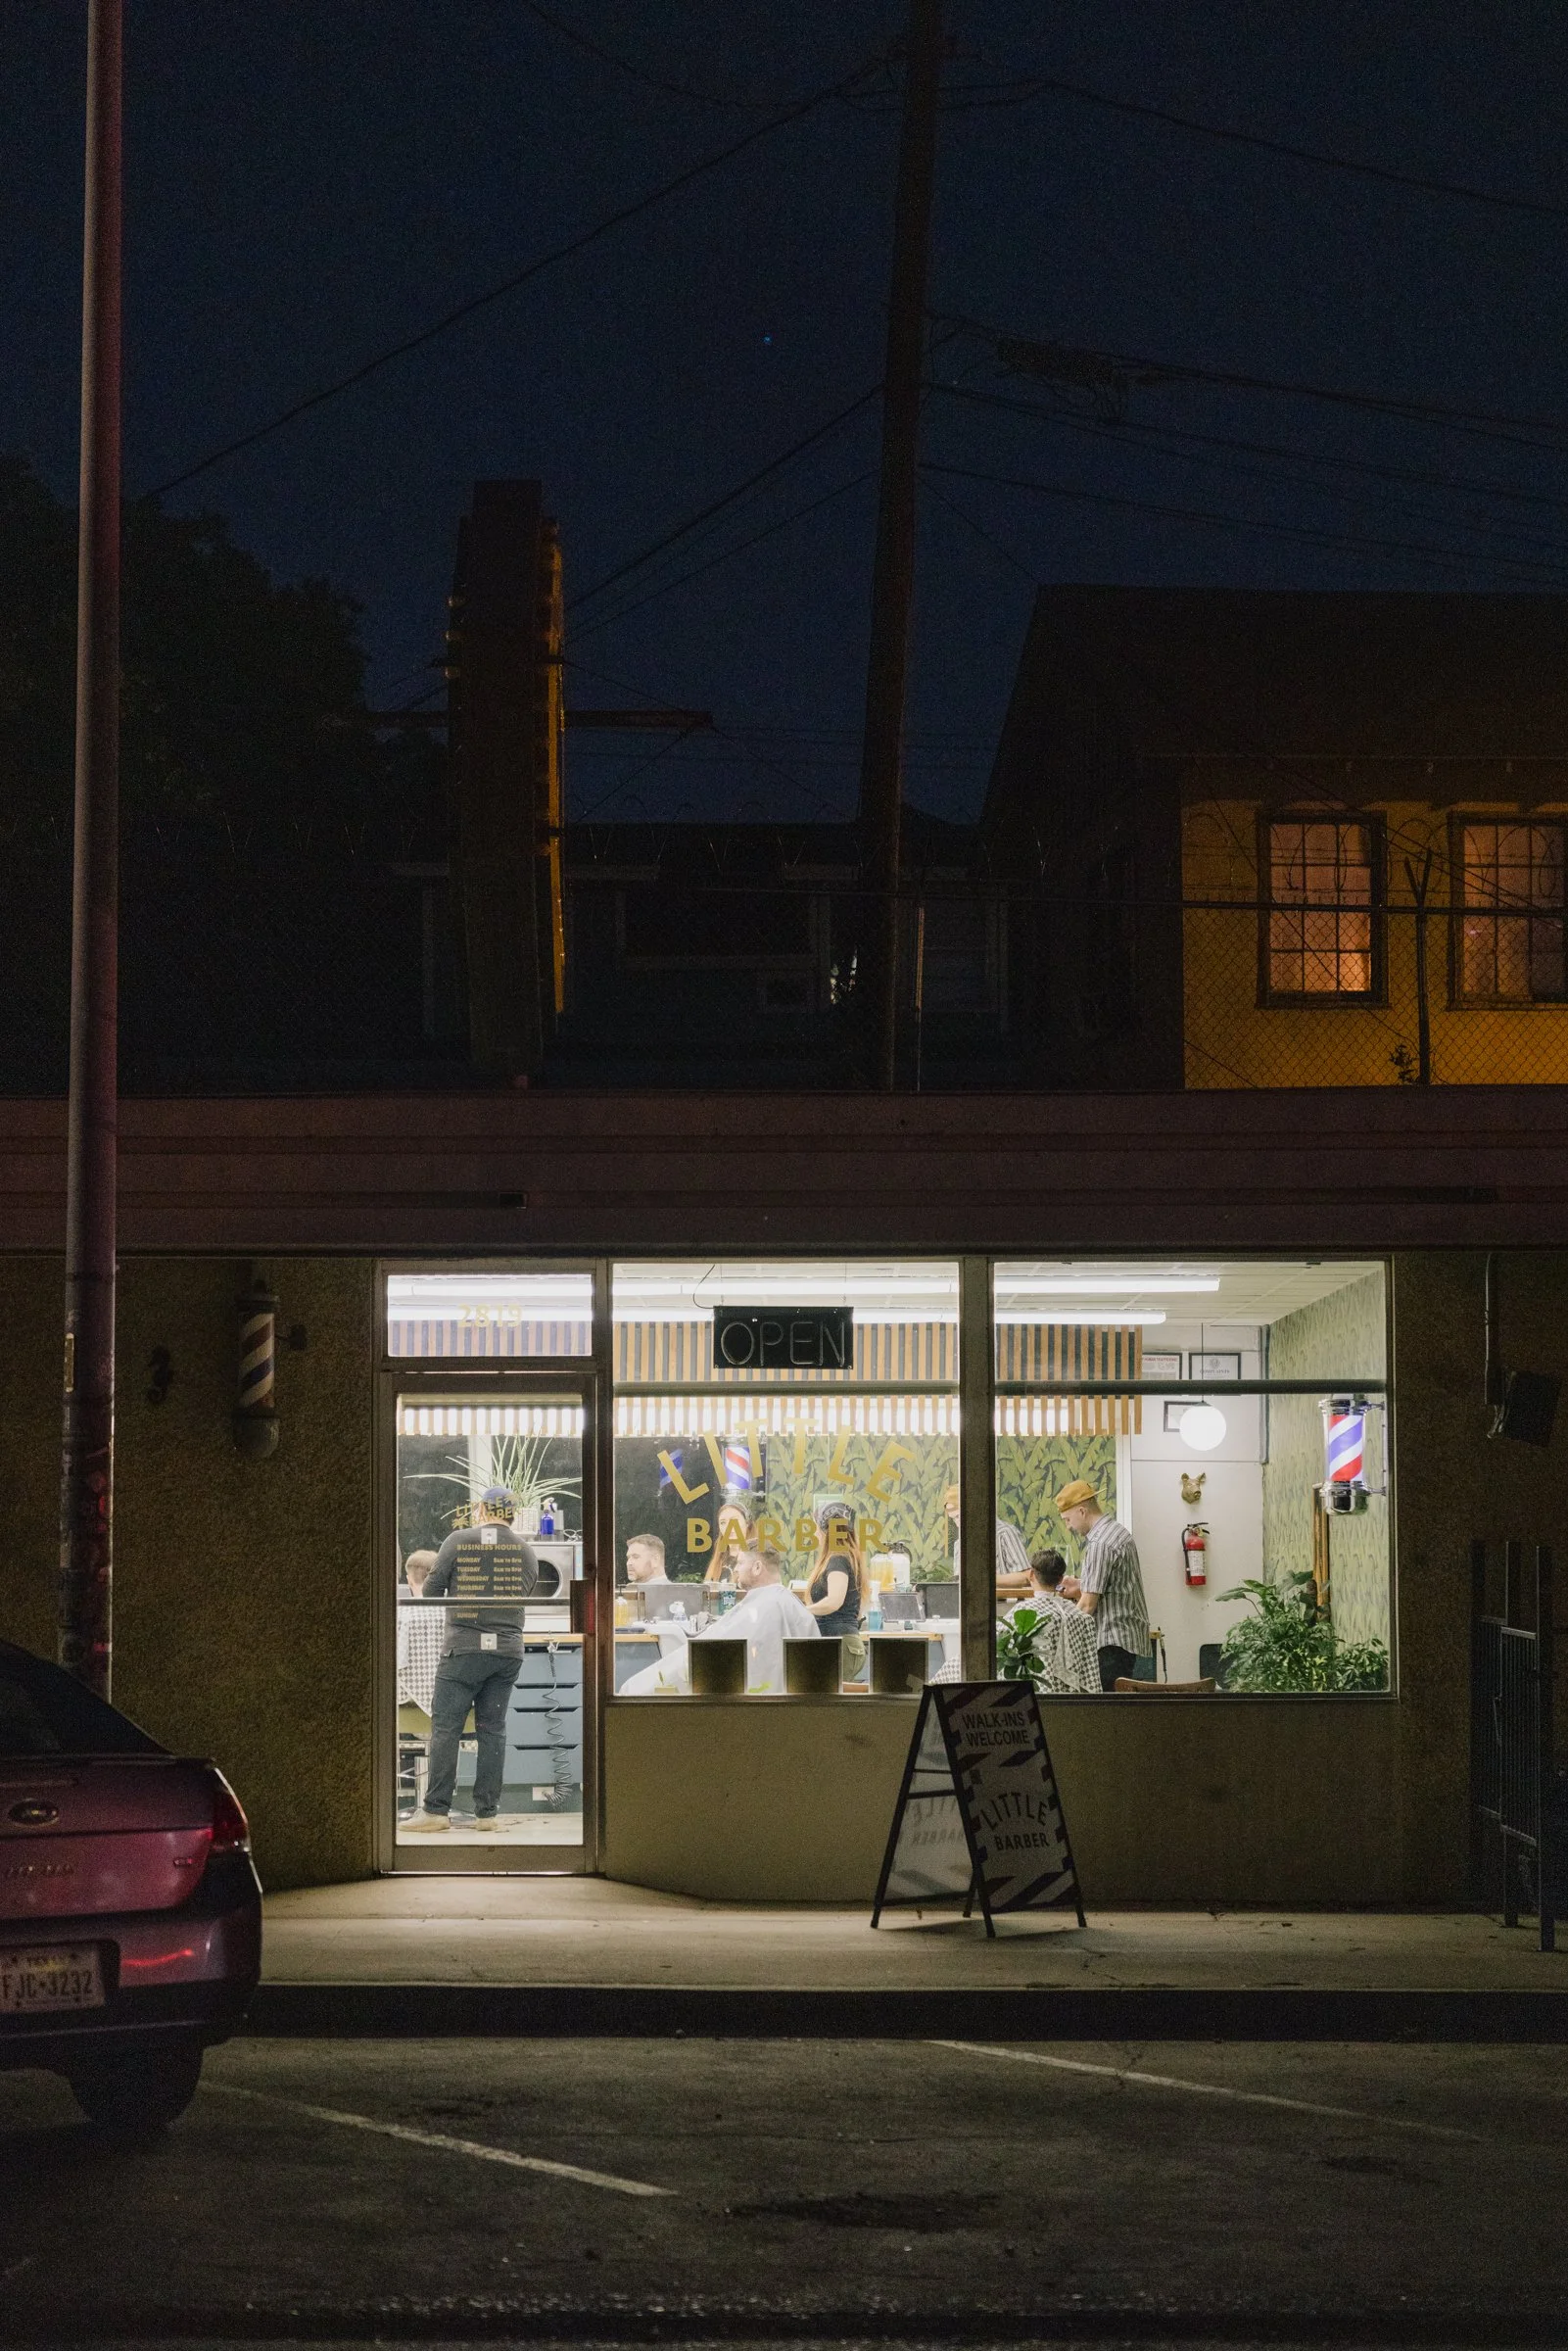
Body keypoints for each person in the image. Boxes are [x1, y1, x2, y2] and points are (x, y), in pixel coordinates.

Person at [404, 1486, 538, 1833]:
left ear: (481, 1510)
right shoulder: (526, 1551)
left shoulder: (458, 1541)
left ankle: (435, 1811)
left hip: (463, 1649)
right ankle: (487, 1814)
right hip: (507, 1651)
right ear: (512, 1514)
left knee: (446, 1728)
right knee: (493, 1729)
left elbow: (431, 1594)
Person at [621, 1547, 817, 1694]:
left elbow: (709, 1653)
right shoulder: (793, 1607)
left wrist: (636, 1688)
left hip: (745, 1707)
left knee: (634, 1688)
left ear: (757, 1567)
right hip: (783, 1710)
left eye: (740, 1563)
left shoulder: (762, 1609)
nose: (736, 1570)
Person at [1056, 1477, 1150, 1693]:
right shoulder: (1116, 1532)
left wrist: (1062, 1638)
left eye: (1067, 1519)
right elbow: (1116, 1584)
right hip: (1125, 1637)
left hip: (1110, 1640)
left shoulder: (1100, 1543)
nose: (1068, 1527)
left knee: (1105, 1710)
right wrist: (1080, 1585)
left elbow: (1088, 1605)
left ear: (1082, 1511)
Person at [1014, 1548, 1102, 1696]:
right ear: (1061, 1579)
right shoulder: (1081, 1617)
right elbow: (1090, 1671)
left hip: (1034, 1694)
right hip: (1075, 1700)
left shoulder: (1021, 1613)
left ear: (1031, 1575)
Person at [944, 1482, 1032, 1599]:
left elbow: (1026, 1577)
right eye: (953, 1519)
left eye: (959, 1516)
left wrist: (985, 1580)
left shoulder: (1005, 1533)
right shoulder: (959, 1544)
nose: (958, 1524)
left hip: (1003, 1608)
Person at [803, 1506, 868, 1661]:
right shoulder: (845, 1558)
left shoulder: (838, 1560)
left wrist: (802, 1611)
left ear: (826, 1531)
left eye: (816, 1528)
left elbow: (834, 1601)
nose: (814, 1533)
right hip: (840, 1643)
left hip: (841, 1644)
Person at [397, 1549, 443, 1718]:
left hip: (404, 1705)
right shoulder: (452, 1614)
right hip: (449, 1703)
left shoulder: (399, 1616)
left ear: (409, 1581)